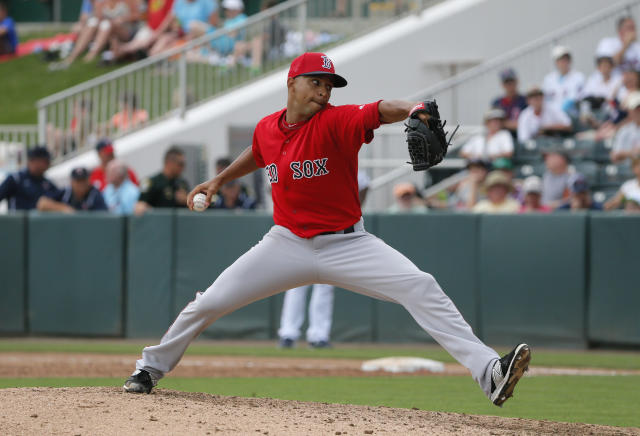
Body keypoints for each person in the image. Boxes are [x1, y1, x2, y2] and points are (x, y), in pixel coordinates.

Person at [123, 52, 531, 407]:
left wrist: (413, 109)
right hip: (285, 243)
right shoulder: (268, 127)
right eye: (315, 82)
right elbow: (261, 150)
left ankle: (490, 373)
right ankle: (149, 369)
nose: (323, 90)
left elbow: (380, 108)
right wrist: (218, 181)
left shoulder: (336, 121)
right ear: (292, 83)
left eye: (329, 84)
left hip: (348, 244)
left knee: (421, 285)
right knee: (209, 301)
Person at [278, 169, 370, 349]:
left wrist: (353, 209)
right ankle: (288, 333)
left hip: (331, 230)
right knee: (295, 284)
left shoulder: (342, 158)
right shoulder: (303, 159)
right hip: (302, 228)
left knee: (324, 285)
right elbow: (273, 184)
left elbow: (365, 184)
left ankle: (318, 335)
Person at [109, 0, 175, 62]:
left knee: (144, 45)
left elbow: (170, 17)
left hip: (164, 31)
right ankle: (119, 51)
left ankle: (119, 51)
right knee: (137, 42)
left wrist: (159, 32)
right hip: (150, 28)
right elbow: (150, 15)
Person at [135, 146, 189, 214]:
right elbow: (140, 206)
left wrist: (186, 200)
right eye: (180, 164)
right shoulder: (150, 182)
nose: (183, 168)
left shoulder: (183, 184)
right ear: (169, 163)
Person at [37, 168, 108, 212]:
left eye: (83, 180)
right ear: (72, 182)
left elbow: (103, 216)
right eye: (78, 181)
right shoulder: (66, 192)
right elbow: (42, 203)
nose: (81, 184)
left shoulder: (95, 194)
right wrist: (63, 208)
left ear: (88, 181)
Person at [542, 46, 585, 115]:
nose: (562, 63)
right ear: (556, 63)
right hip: (553, 116)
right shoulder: (549, 79)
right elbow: (545, 100)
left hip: (572, 115)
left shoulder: (578, 77)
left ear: (569, 61)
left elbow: (577, 97)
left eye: (565, 60)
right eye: (560, 60)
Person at [491, 68, 527, 136]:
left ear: (517, 81)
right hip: (501, 138)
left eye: (511, 81)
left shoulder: (525, 100)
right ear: (502, 84)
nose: (509, 84)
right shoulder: (497, 102)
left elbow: (527, 123)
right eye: (506, 82)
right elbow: (492, 124)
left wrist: (504, 123)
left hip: (519, 137)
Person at [611, 91, 640, 163]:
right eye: (636, 109)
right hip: (626, 168)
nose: (638, 112)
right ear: (630, 111)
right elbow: (614, 156)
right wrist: (632, 153)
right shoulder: (624, 130)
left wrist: (625, 154)